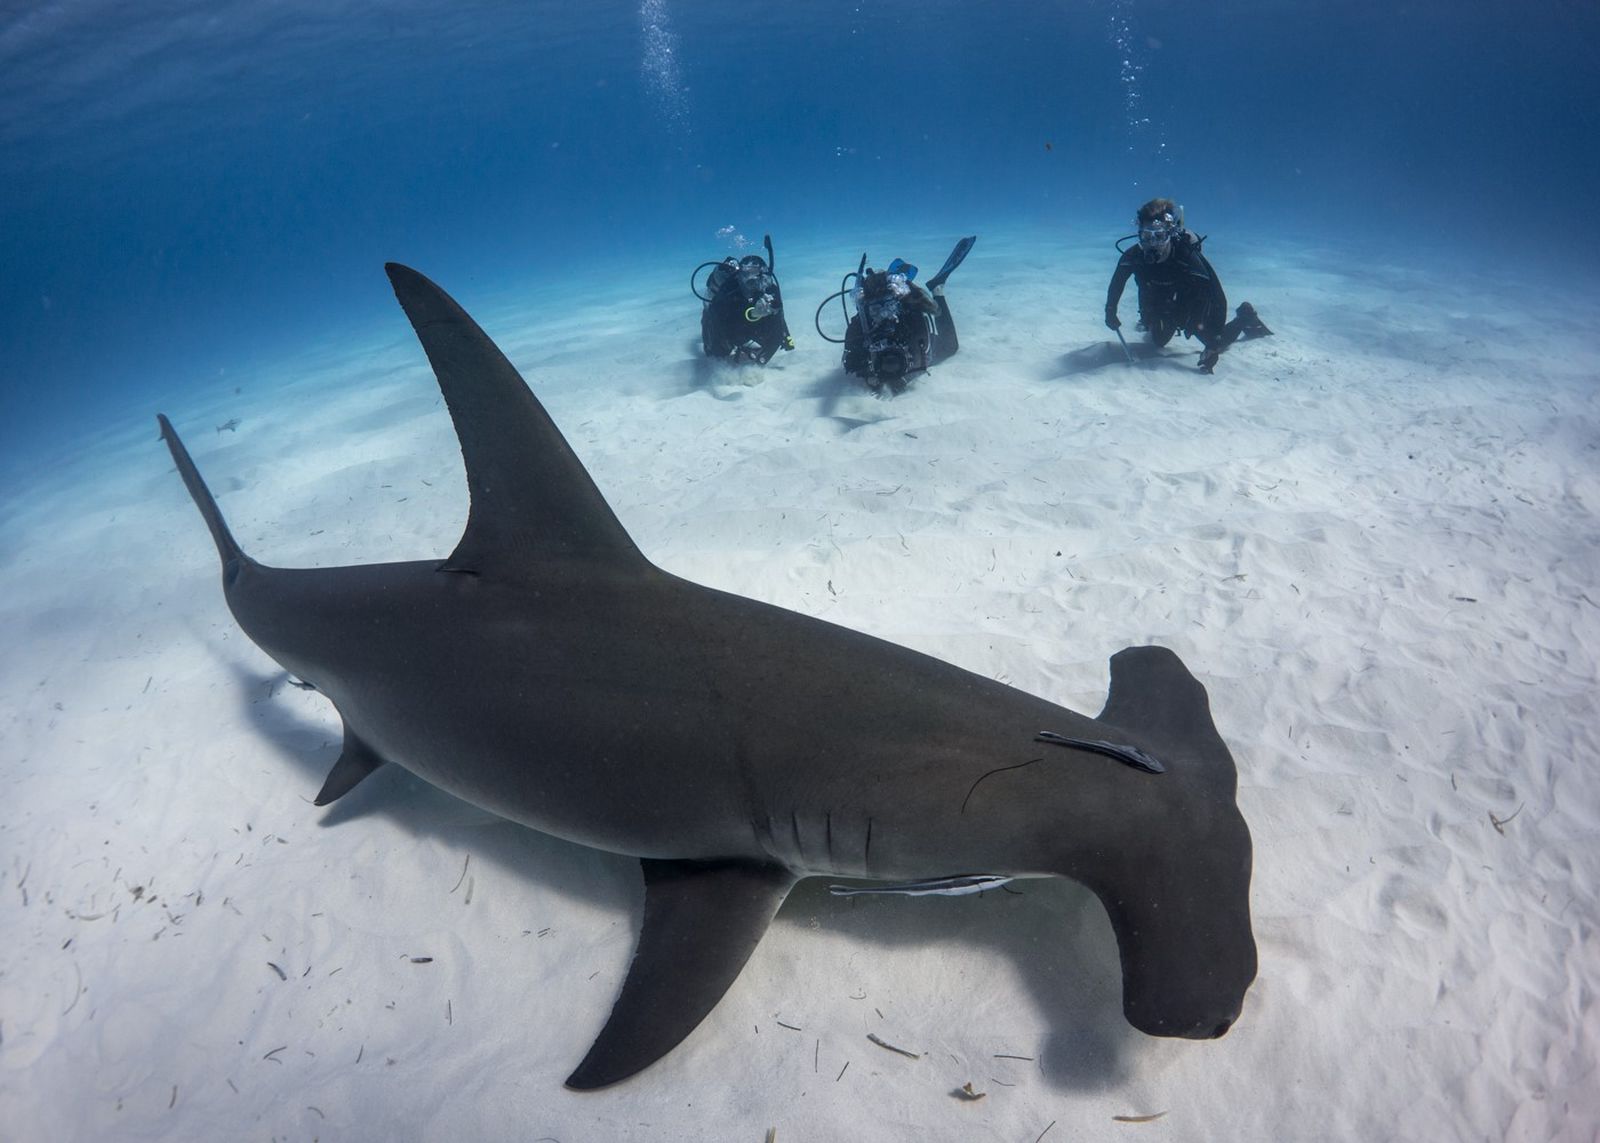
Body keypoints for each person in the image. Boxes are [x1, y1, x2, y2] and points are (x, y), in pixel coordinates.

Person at [1104, 199, 1271, 373]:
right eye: (1147, 237)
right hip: (1159, 304)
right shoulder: (1134, 255)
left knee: (1217, 341)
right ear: (1139, 234)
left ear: (1169, 234)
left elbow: (1217, 296)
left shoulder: (1186, 256)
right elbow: (1117, 283)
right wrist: (1110, 310)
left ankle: (1244, 317)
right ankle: (1152, 321)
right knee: (1158, 341)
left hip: (1189, 308)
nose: (1152, 244)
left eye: (1159, 236)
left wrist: (1213, 344)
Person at [822, 236, 976, 393]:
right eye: (875, 309)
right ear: (866, 308)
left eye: (888, 306)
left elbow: (925, 355)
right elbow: (850, 364)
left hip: (908, 322)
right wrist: (869, 377)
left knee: (949, 347)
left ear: (897, 303)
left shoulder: (909, 315)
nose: (883, 314)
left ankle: (937, 288)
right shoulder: (862, 323)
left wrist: (906, 378)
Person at [693, 234, 795, 365]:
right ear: (741, 279)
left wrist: (784, 336)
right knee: (716, 353)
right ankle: (706, 317)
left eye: (761, 280)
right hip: (724, 319)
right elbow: (722, 327)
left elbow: (779, 316)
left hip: (746, 324)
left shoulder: (770, 289)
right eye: (751, 282)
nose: (757, 287)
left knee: (769, 334)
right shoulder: (728, 291)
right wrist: (753, 315)